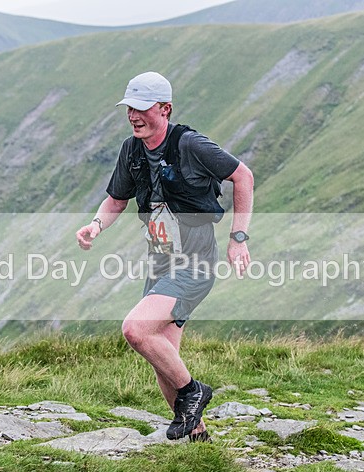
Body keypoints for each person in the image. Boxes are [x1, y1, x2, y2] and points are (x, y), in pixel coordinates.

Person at [76, 71, 254, 442]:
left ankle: (194, 392)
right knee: (164, 357)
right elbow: (116, 200)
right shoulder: (132, 149)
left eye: (141, 108)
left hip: (195, 263)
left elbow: (243, 176)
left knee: (135, 330)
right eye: (129, 108)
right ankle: (198, 437)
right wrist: (95, 225)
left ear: (165, 108)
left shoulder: (191, 145)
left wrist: (239, 238)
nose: (133, 115)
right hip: (159, 262)